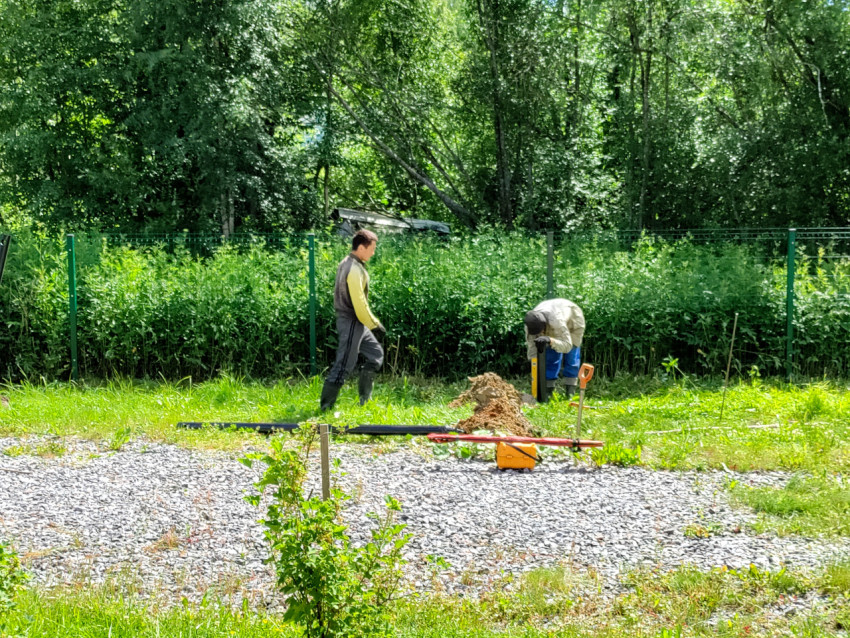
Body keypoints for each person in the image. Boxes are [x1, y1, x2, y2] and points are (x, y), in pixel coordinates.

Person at [320, 229, 386, 411]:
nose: (373, 252)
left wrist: (369, 323)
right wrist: (375, 325)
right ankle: (326, 407)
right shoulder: (353, 269)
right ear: (361, 247)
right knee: (344, 365)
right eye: (372, 248)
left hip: (357, 323)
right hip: (351, 321)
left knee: (375, 354)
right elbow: (359, 304)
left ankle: (365, 401)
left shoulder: (350, 263)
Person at [524, 298, 585, 398]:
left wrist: (550, 340)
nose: (539, 334)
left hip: (573, 319)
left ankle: (570, 393)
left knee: (571, 356)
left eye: (541, 331)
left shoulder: (556, 321)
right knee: (552, 356)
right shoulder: (530, 324)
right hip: (553, 316)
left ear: (544, 325)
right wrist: (535, 365)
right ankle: (548, 392)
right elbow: (532, 349)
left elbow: (567, 346)